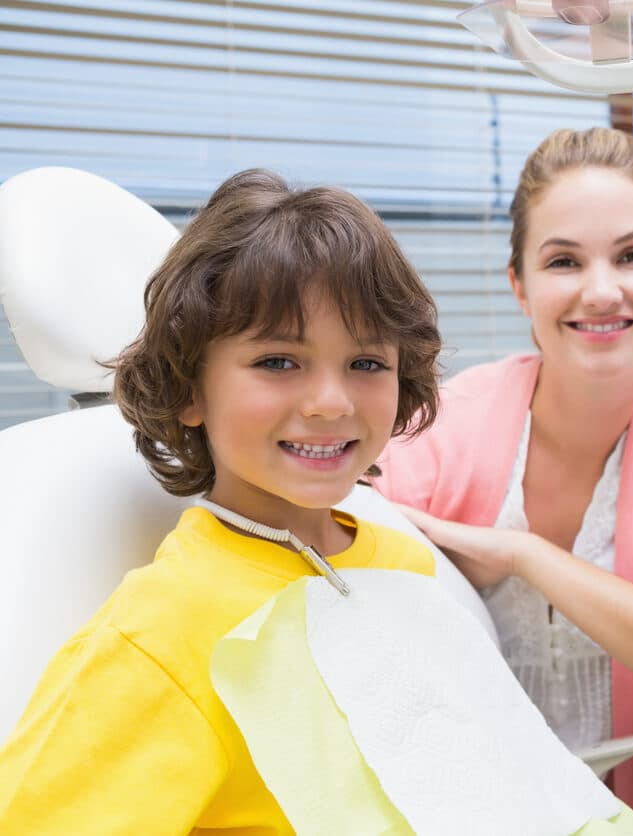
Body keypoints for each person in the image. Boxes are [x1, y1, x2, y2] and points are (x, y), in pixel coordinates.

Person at [0, 169, 445, 830]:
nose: (332, 402)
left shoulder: (408, 568)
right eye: (278, 361)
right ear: (189, 389)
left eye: (367, 363)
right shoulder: (164, 633)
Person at [374, 126, 633, 834]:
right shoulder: (444, 420)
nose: (601, 291)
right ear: (519, 285)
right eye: (563, 261)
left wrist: (528, 556)